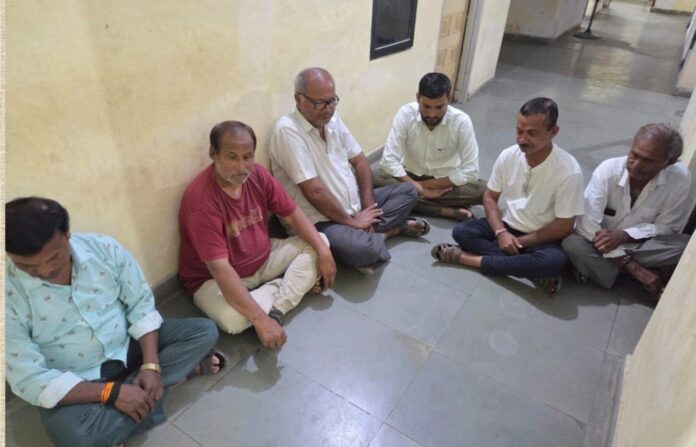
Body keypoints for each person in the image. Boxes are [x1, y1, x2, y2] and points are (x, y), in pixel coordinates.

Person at [6, 197, 224, 447]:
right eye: (26, 266)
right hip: (77, 378)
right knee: (74, 435)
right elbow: (28, 376)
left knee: (203, 331)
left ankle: (124, 411)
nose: (45, 271)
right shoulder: (7, 295)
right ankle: (165, 386)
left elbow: (140, 304)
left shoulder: (104, 249)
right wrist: (111, 393)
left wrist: (151, 365)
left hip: (127, 346)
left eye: (54, 257)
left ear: (67, 234)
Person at [179, 120, 336, 350]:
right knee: (234, 320)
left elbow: (292, 215)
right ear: (213, 154)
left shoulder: (258, 175)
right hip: (212, 278)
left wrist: (324, 253)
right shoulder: (201, 202)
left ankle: (277, 307)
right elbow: (220, 269)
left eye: (247, 157)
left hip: (263, 256)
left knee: (320, 242)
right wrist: (259, 319)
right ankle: (282, 290)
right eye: (232, 157)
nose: (242, 167)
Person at [270, 67, 429, 272]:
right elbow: (314, 192)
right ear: (298, 100)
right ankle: (389, 232)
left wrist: (368, 209)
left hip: (354, 207)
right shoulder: (287, 131)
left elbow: (361, 162)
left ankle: (368, 234)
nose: (328, 109)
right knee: (363, 250)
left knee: (408, 191)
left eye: (332, 101)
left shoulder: (332, 119)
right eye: (319, 103)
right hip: (321, 221)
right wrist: (352, 223)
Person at [431, 97, 585, 293]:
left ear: (553, 132)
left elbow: (564, 226)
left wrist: (519, 242)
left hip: (540, 238)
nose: (522, 140)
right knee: (462, 231)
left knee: (555, 260)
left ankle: (466, 258)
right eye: (519, 131)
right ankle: (530, 270)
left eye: (532, 133)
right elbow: (490, 197)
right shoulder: (509, 155)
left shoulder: (568, 171)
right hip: (506, 225)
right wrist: (501, 233)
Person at [562, 123, 692, 299]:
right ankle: (639, 275)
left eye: (648, 160)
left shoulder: (679, 178)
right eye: (634, 155)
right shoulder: (608, 170)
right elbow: (586, 224)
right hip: (598, 243)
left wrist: (625, 235)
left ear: (669, 162)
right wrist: (631, 266)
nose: (636, 164)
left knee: (685, 247)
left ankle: (601, 271)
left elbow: (668, 226)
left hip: (640, 246)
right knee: (572, 243)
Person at [373, 72, 486, 221]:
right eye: (426, 106)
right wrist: (419, 188)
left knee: (483, 190)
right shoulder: (406, 113)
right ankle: (443, 210)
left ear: (449, 99)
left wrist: (421, 187)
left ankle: (409, 197)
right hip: (409, 174)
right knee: (373, 177)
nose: (432, 114)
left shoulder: (461, 122)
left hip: (445, 181)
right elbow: (388, 161)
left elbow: (471, 171)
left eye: (439, 107)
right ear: (417, 98)